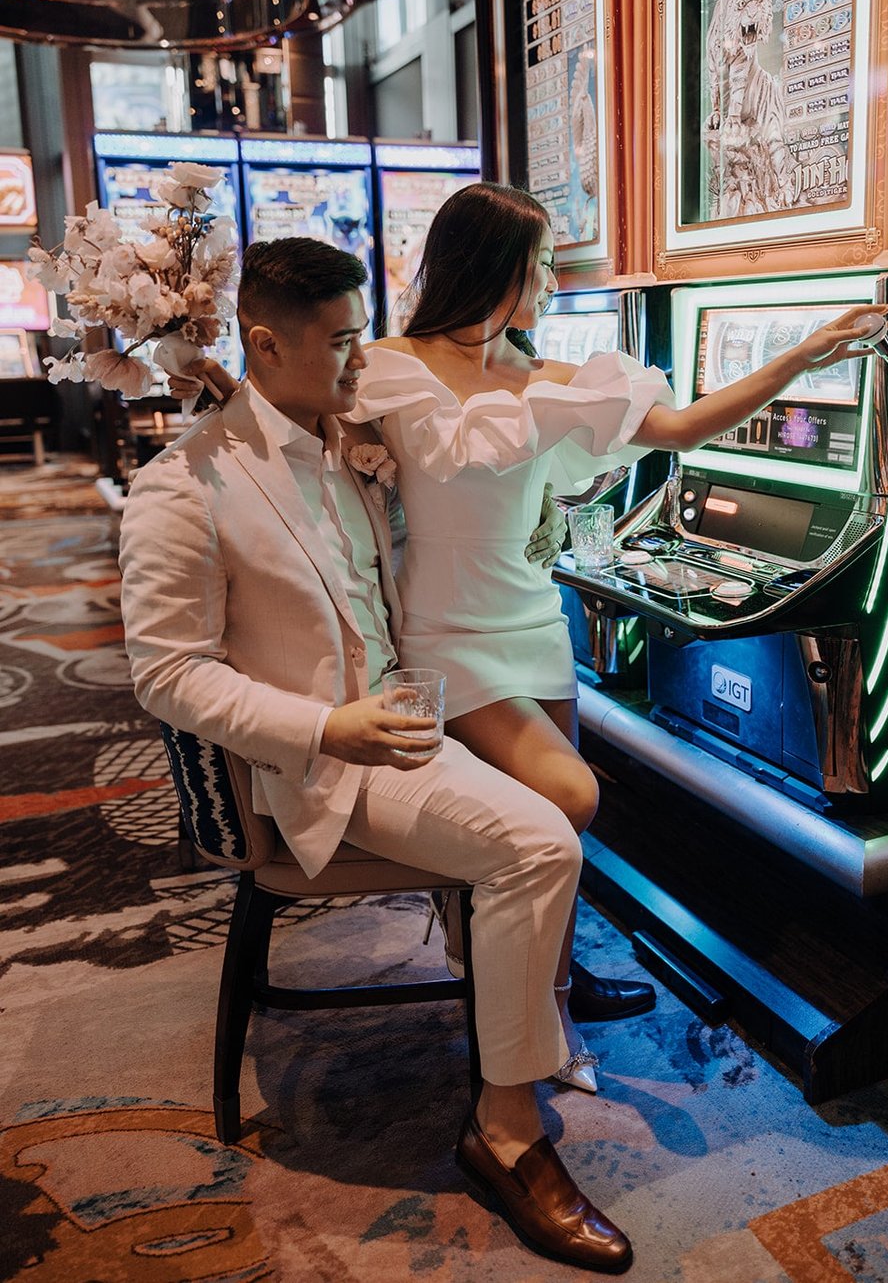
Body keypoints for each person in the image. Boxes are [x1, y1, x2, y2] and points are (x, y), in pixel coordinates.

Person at [120, 237, 634, 1274]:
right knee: (542, 845)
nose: (365, 365)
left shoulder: (346, 434)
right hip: (318, 758)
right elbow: (167, 675)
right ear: (264, 343)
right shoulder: (183, 486)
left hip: (404, 720)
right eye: (345, 345)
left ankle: (510, 985)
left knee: (564, 799)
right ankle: (506, 1131)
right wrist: (325, 728)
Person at [338, 182, 886, 1086]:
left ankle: (543, 1000)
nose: (554, 282)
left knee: (556, 830)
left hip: (530, 618)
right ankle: (517, 994)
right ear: (495, 269)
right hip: (441, 631)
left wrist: (800, 356)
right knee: (572, 795)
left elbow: (679, 428)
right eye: (543, 264)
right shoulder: (389, 367)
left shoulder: (544, 376)